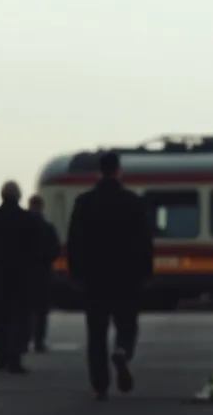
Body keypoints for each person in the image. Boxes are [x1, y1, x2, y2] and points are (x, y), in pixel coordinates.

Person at [66, 151, 154, 400]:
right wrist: (145, 273)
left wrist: (75, 274)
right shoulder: (133, 202)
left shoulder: (84, 202)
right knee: (127, 325)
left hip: (94, 279)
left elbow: (74, 242)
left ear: (99, 171)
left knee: (96, 333)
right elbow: (145, 241)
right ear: (118, 170)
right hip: (126, 278)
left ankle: (100, 386)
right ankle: (123, 351)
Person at [0, 181, 45, 373]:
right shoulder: (29, 219)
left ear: (1, 195)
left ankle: (0, 355)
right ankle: (14, 358)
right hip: (21, 279)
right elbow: (38, 249)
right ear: (19, 196)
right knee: (20, 318)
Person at [28, 194, 61, 353]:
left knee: (25, 309)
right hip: (43, 273)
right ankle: (39, 342)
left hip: (24, 274)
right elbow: (55, 250)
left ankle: (24, 340)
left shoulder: (21, 227)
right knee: (41, 311)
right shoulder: (48, 228)